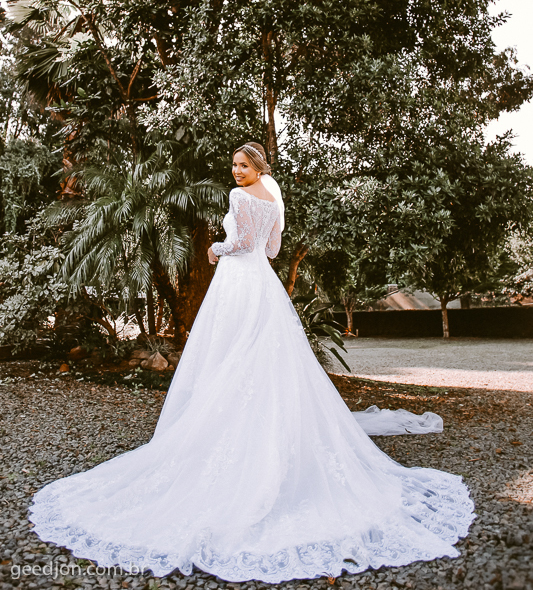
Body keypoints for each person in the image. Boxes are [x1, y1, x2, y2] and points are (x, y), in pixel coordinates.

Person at [28, 142, 474, 583]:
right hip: (264, 282)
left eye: (243, 165)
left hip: (239, 280)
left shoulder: (240, 197)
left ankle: (231, 434)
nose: (237, 171)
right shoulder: (273, 193)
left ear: (257, 166)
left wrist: (215, 250)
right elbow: (273, 250)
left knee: (230, 351)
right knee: (260, 355)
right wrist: (246, 243)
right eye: (234, 165)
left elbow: (240, 244)